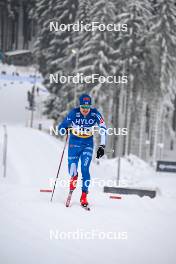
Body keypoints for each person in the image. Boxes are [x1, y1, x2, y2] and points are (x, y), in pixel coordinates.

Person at [58, 94, 107, 207]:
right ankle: (72, 185)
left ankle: (84, 195)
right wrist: (63, 129)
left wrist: (102, 146)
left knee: (85, 169)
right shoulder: (74, 113)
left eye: (87, 107)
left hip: (87, 144)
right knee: (72, 171)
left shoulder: (95, 114)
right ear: (79, 106)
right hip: (74, 144)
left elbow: (103, 128)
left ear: (90, 106)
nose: (85, 110)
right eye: (83, 107)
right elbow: (62, 126)